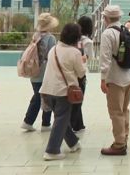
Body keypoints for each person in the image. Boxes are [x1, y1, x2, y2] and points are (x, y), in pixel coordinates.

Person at [40, 23, 85, 160]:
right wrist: (83, 61)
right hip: (63, 91)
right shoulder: (75, 52)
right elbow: (81, 72)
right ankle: (52, 151)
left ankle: (73, 143)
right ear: (77, 37)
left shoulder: (53, 49)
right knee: (61, 119)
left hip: (47, 90)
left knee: (61, 118)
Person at [98, 5, 130, 155]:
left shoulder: (107, 34)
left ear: (106, 18)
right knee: (124, 109)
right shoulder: (127, 30)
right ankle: (124, 137)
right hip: (129, 76)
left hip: (115, 78)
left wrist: (103, 79)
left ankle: (119, 144)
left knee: (115, 112)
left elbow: (105, 59)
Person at [22, 13, 58, 133]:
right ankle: (45, 123)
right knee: (46, 97)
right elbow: (52, 56)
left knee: (37, 96)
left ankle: (28, 121)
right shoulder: (50, 38)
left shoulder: (35, 36)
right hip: (45, 72)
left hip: (34, 71)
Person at [72, 16, 94, 132]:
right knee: (78, 98)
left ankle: (79, 124)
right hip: (81, 72)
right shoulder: (88, 42)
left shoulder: (73, 38)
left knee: (74, 96)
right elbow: (89, 57)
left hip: (71, 71)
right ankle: (73, 123)